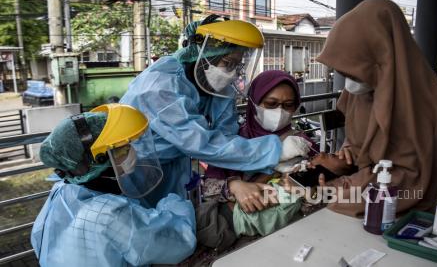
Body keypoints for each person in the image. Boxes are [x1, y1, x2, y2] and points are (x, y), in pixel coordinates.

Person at [120, 15, 312, 204]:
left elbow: (226, 137)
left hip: (175, 169)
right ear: (203, 56)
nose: (232, 74)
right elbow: (200, 143)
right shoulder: (159, 86)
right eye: (227, 63)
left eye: (237, 65)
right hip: (135, 168)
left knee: (173, 215)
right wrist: (275, 150)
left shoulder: (219, 91)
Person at [314, 0, 437, 216]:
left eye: (355, 73)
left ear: (383, 57)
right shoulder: (358, 93)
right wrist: (347, 156)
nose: (348, 84)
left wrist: (342, 189)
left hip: (405, 210)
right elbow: (359, 144)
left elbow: (415, 182)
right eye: (343, 74)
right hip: (365, 191)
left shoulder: (433, 102)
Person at [31, 104, 196, 266]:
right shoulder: (109, 214)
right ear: (99, 161)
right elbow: (179, 243)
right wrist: (172, 202)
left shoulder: (62, 190)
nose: (133, 152)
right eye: (121, 149)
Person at [195, 71, 318, 250]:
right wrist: (234, 186)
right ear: (253, 102)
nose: (280, 111)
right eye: (270, 104)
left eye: (288, 105)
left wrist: (308, 195)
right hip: (235, 240)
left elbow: (320, 199)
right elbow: (206, 187)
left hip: (288, 238)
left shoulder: (302, 145)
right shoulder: (232, 142)